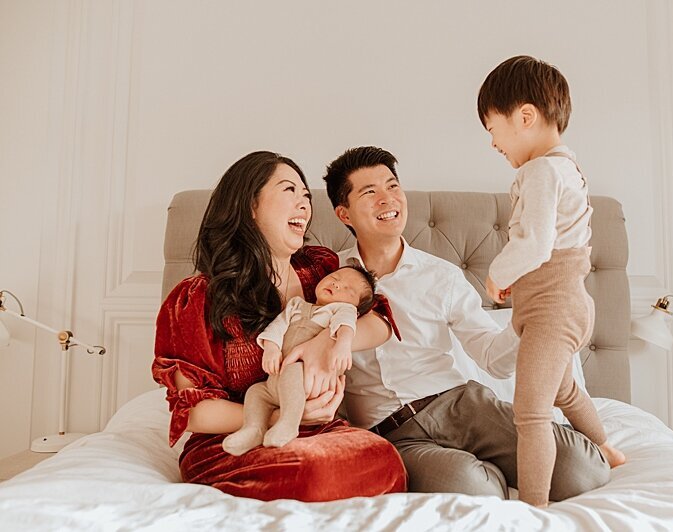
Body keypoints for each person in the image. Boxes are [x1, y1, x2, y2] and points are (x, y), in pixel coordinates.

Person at [302, 145, 610, 501]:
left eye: (392, 187)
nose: (387, 199)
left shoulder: (442, 276)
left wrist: (528, 317)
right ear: (344, 213)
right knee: (473, 488)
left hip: (463, 405)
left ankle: (525, 446)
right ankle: (487, 468)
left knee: (583, 471)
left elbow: (494, 360)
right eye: (370, 193)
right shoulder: (325, 279)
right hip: (393, 432)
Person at [151, 151, 406, 502]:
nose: (304, 205)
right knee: (312, 470)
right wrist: (280, 415)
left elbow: (380, 320)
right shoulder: (196, 298)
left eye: (306, 196)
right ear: (251, 205)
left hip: (320, 430)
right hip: (235, 442)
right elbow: (195, 413)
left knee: (385, 460)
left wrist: (324, 346)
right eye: (290, 191)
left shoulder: (320, 270)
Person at [477, 55, 626, 506]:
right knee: (563, 389)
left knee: (531, 412)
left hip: (553, 310)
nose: (493, 143)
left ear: (524, 117)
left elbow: (535, 245)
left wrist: (497, 275)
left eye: (492, 129)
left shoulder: (541, 170)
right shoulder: (567, 168)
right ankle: (605, 448)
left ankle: (535, 505)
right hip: (560, 305)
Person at [223, 265, 377, 455]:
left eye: (348, 289)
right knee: (256, 392)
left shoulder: (342, 310)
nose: (337, 285)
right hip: (276, 383)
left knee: (292, 370)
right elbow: (277, 326)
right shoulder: (297, 304)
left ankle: (289, 423)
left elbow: (346, 326)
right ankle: (254, 428)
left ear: (356, 308)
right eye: (336, 278)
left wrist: (342, 345)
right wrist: (271, 348)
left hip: (308, 383)